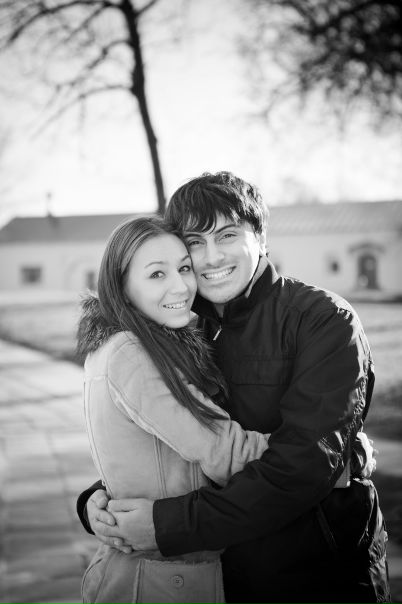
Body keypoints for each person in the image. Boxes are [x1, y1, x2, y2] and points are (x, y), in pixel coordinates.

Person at [77, 172, 390, 603]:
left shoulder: (322, 320)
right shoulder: (182, 328)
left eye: (227, 235)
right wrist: (99, 499)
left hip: (316, 572)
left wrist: (168, 524)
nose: (211, 258)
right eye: (195, 242)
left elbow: (301, 468)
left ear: (260, 237)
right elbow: (167, 438)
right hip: (225, 579)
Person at [78, 215, 271, 604]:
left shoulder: (129, 345)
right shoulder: (131, 354)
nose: (181, 286)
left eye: (184, 268)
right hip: (159, 582)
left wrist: (91, 501)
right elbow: (225, 452)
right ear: (122, 287)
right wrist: (331, 460)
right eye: (156, 274)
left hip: (157, 573)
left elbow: (141, 459)